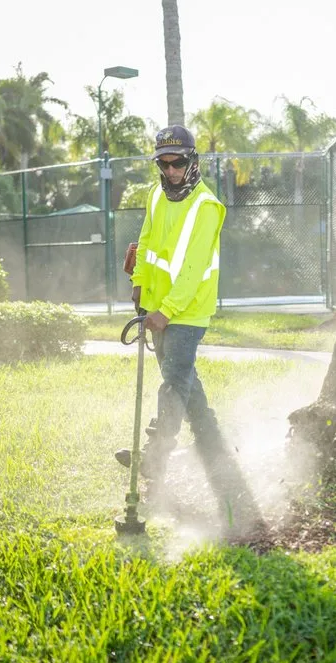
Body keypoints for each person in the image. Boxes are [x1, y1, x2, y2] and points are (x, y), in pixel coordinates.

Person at [114, 125, 260, 532]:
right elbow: (144, 243)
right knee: (184, 382)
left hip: (187, 311)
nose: (172, 170)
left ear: (193, 161)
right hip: (156, 308)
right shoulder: (155, 194)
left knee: (174, 381)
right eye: (164, 162)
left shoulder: (206, 206)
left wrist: (168, 310)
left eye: (178, 162)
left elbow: (194, 267)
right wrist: (139, 288)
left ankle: (155, 455)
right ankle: (214, 445)